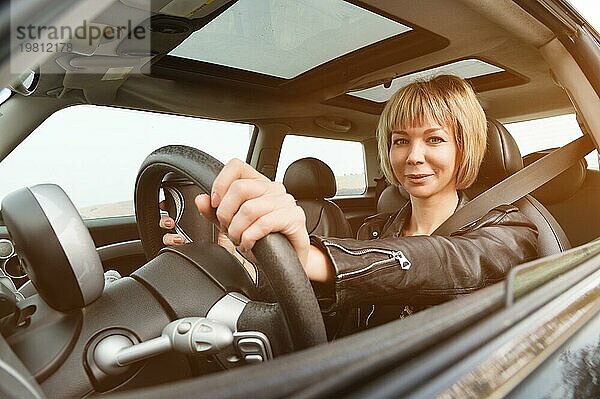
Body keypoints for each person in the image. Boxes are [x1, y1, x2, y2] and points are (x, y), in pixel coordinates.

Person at [161, 74, 539, 330]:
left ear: (464, 147)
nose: (413, 156)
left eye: (434, 139)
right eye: (400, 140)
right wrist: (238, 262)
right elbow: (313, 314)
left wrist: (312, 256)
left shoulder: (509, 228)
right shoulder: (372, 230)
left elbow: (450, 262)